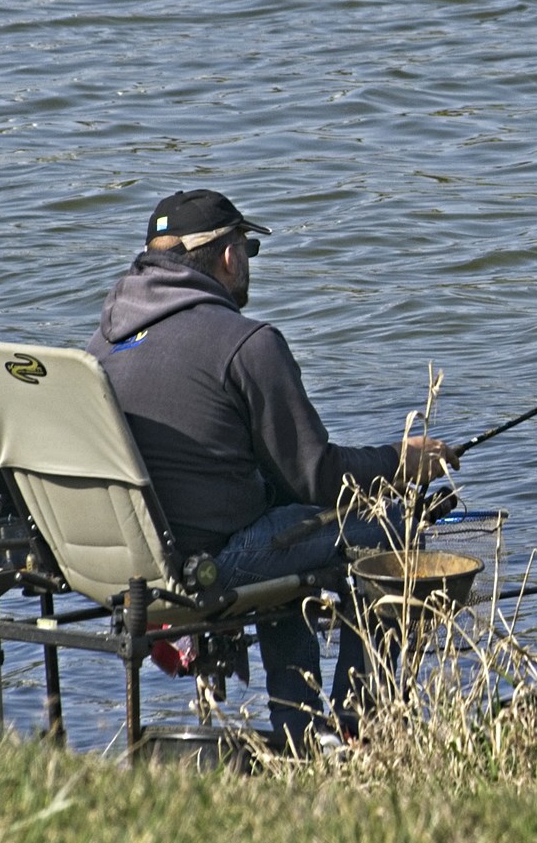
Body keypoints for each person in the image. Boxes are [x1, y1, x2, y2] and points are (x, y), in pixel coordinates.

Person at [83, 188, 454, 749]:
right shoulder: (247, 344)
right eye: (248, 248)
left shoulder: (104, 343)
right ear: (228, 255)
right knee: (392, 531)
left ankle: (300, 731)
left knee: (292, 528)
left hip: (124, 569)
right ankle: (361, 726)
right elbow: (317, 477)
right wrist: (402, 463)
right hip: (207, 569)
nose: (248, 261)